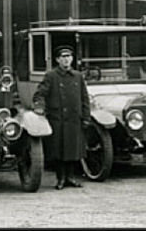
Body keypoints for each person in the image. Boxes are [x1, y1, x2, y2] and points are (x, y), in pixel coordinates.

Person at [33, 45, 91, 190]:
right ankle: (61, 178)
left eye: (69, 57)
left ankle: (71, 177)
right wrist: (39, 106)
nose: (66, 60)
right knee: (58, 151)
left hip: (74, 119)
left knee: (73, 150)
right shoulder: (51, 76)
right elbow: (40, 94)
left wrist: (86, 117)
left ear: (72, 59)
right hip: (58, 119)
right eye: (63, 57)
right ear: (58, 60)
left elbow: (85, 98)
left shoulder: (78, 76)